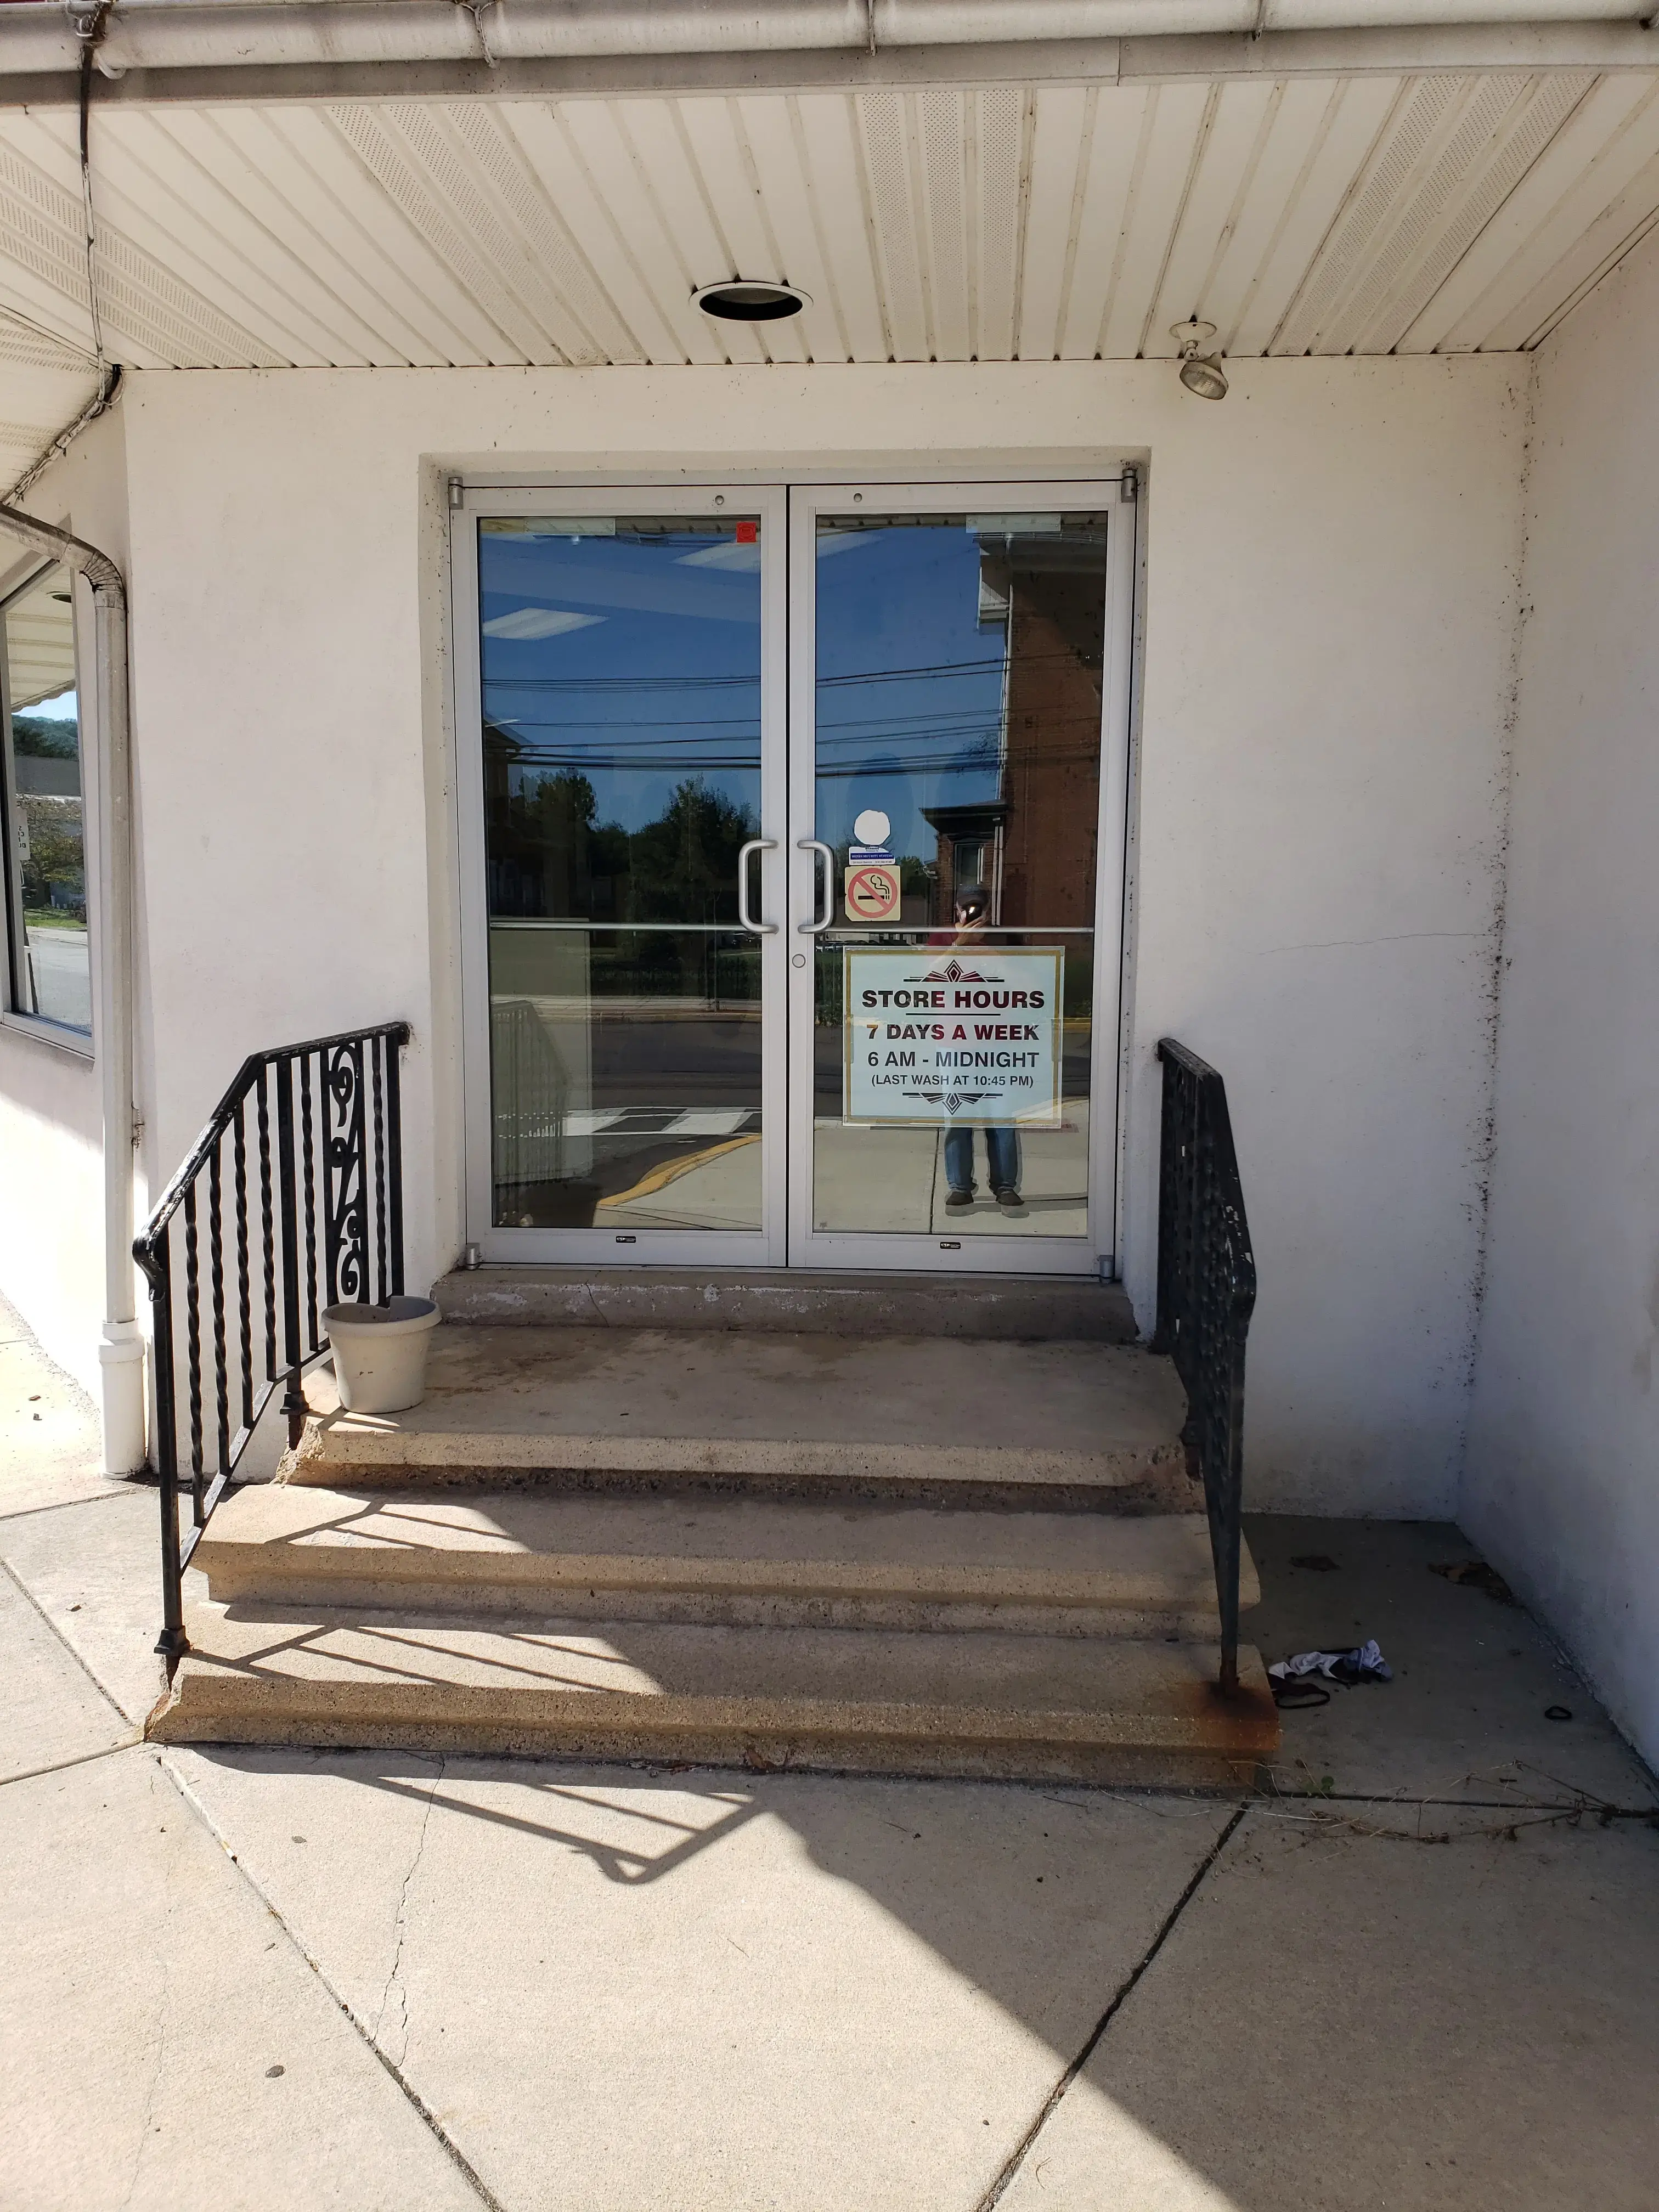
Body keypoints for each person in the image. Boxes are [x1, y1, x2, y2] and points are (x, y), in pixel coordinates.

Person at [937, 886, 1022, 1214]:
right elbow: (925, 979)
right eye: (965, 909)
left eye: (977, 909)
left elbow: (1023, 983)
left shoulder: (1005, 940)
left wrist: (985, 949)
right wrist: (959, 945)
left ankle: (1005, 1187)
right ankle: (959, 1186)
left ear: (988, 911)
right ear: (955, 912)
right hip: (955, 1044)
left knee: (1002, 1119)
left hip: (998, 1044)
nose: (971, 915)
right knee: (956, 1117)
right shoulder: (943, 940)